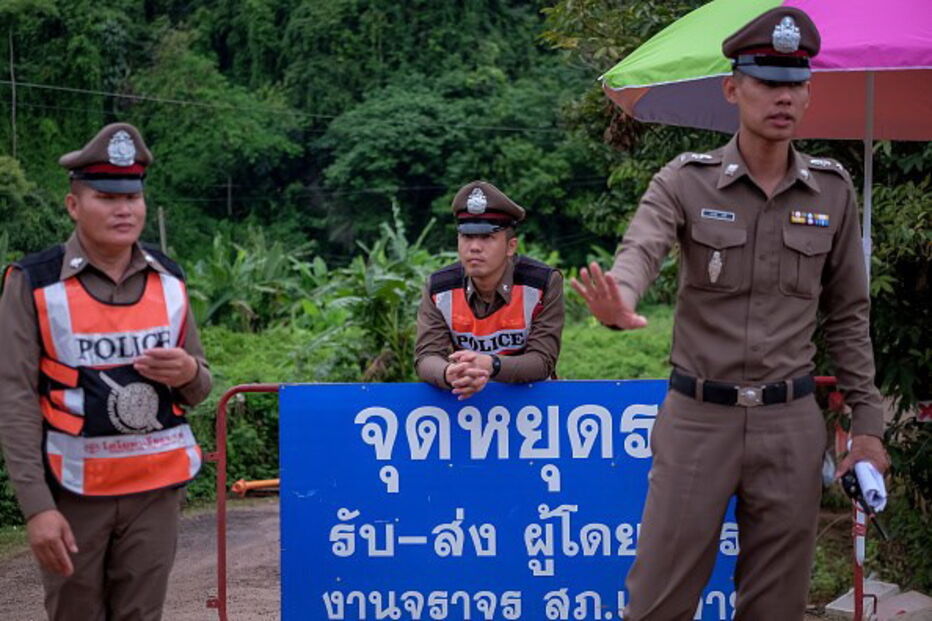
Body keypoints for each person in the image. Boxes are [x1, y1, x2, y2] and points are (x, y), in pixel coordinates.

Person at [571, 8, 889, 620]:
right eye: (768, 81)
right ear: (732, 88)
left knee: (775, 606)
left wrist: (868, 427)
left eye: (795, 84)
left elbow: (849, 316)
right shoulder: (687, 182)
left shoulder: (832, 192)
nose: (783, 98)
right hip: (698, 422)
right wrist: (622, 300)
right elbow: (641, 248)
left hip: (790, 427)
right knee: (658, 601)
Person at [0, 123, 212, 620]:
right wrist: (36, 507)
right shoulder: (34, 283)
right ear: (74, 205)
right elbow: (13, 399)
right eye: (106, 197)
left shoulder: (168, 278)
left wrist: (185, 370)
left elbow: (201, 386)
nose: (124, 210)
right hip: (75, 492)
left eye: (133, 198)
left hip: (155, 491)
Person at [415, 180, 564, 400]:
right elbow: (426, 356)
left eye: (487, 237)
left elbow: (542, 361)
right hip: (466, 402)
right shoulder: (439, 288)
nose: (474, 247)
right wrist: (449, 374)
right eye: (467, 236)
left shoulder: (542, 283)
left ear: (511, 246)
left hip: (532, 406)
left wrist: (490, 365)